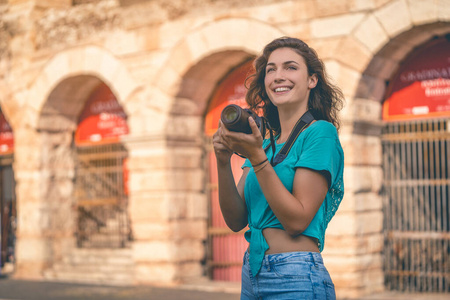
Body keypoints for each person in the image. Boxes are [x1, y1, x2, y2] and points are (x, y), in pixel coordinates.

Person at [213, 36, 345, 299]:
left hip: (295, 275)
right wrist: (222, 161)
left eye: (290, 67)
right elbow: (235, 220)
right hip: (252, 271)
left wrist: (258, 159)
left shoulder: (320, 133)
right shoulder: (265, 144)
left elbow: (297, 220)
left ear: (312, 80)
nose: (278, 76)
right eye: (271, 69)